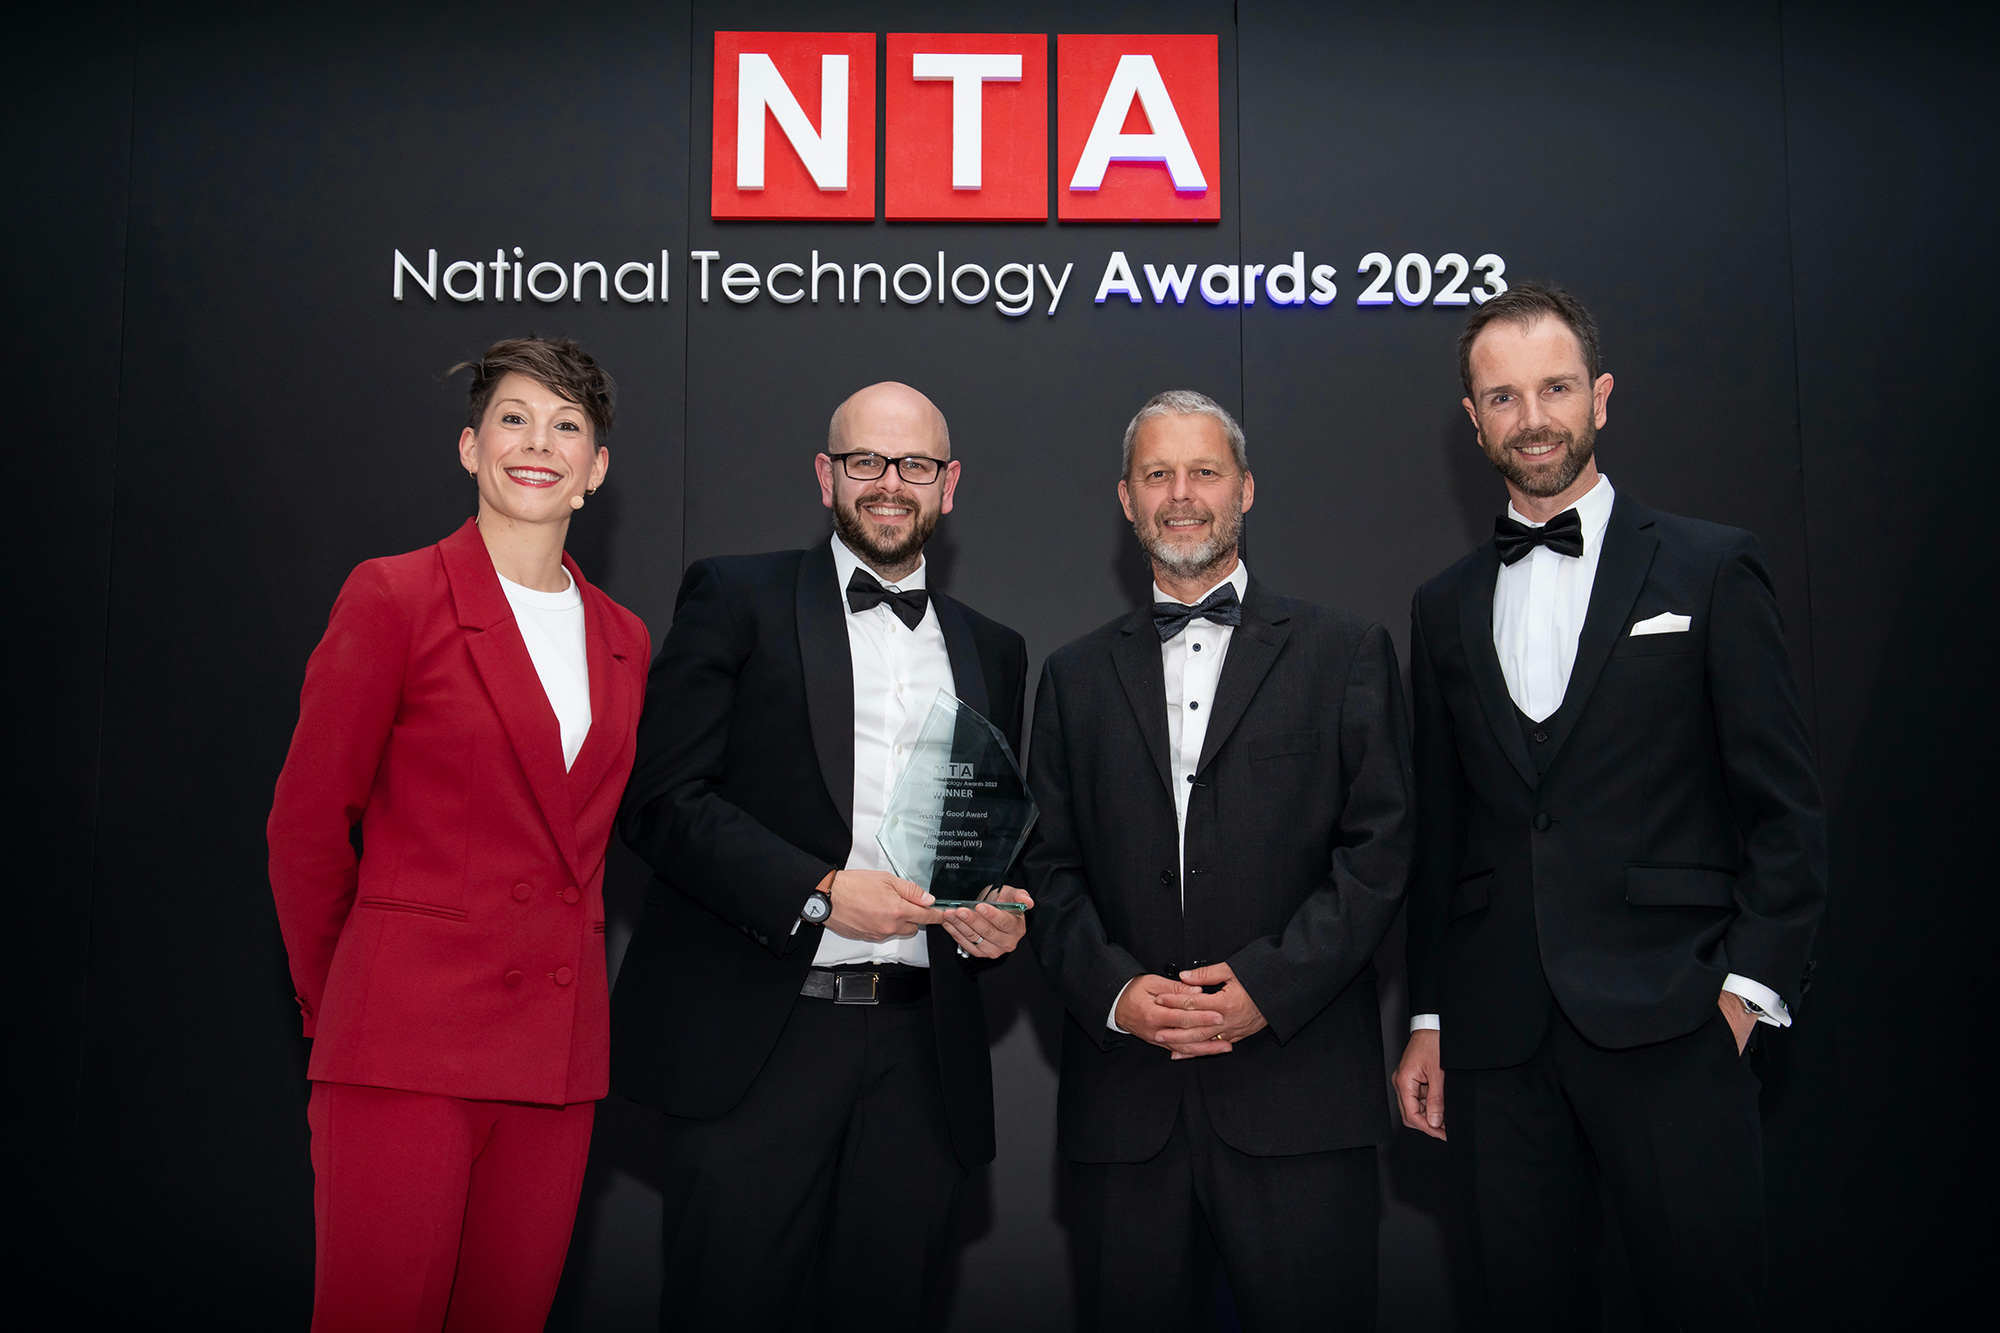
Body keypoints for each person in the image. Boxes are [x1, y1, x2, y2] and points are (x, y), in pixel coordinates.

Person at [1394, 283, 1827, 1329]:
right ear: (1471, 420)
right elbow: (1442, 834)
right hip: (1498, 1046)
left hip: (1673, 1025)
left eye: (1551, 388)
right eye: (1501, 397)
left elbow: (1783, 810)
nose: (1530, 417)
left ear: (1599, 395)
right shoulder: (1441, 604)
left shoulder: (1710, 567)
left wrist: (1739, 996)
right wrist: (1427, 1016)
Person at [611, 381, 1032, 1331]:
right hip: (761, 1044)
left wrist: (999, 911)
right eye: (865, 462)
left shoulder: (994, 650)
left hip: (924, 1058)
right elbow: (661, 802)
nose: (890, 483)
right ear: (825, 475)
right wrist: (819, 892)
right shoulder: (734, 595)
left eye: (915, 464)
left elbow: (994, 831)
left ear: (949, 484)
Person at [267, 337, 650, 1332]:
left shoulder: (623, 637)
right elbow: (307, 825)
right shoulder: (392, 595)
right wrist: (350, 998)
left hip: (552, 1069)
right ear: (471, 447)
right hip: (403, 1048)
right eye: (515, 419)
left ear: (596, 469)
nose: (540, 443)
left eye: (568, 425)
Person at [1022, 390, 1413, 1331]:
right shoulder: (1071, 677)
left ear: (1246, 488)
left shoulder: (1347, 652)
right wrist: (1119, 993)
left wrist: (1264, 989)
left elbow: (1381, 852)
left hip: (1300, 1100)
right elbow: (1045, 868)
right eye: (1158, 473)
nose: (1182, 494)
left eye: (1204, 471)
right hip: (1128, 1113)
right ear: (1126, 498)